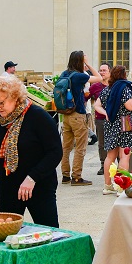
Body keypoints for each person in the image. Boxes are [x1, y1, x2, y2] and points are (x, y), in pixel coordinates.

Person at [0, 74, 62, 226]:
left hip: (38, 186)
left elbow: (55, 152)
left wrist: (32, 178)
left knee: (48, 233)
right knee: (7, 233)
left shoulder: (37, 116)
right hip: (8, 188)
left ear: (15, 97)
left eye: (1, 103)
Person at [57, 51, 102, 186]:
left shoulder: (65, 74)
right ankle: (76, 177)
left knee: (66, 147)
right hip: (78, 114)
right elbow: (99, 78)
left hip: (66, 115)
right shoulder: (80, 76)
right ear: (80, 61)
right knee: (80, 148)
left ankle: (65, 176)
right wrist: (88, 64)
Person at [97, 65, 132, 195]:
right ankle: (121, 186)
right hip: (125, 121)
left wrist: (106, 113)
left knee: (110, 156)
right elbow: (130, 106)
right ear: (124, 75)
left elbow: (97, 105)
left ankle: (107, 186)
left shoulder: (108, 89)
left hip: (111, 123)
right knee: (124, 155)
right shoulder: (125, 88)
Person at [89, 63, 111, 173]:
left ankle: (118, 163)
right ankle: (103, 164)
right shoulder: (95, 87)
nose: (102, 72)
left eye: (104, 70)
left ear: (110, 72)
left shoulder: (114, 85)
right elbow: (84, 97)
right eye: (100, 70)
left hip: (113, 119)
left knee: (115, 142)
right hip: (100, 119)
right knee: (102, 143)